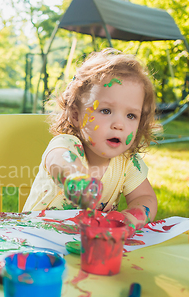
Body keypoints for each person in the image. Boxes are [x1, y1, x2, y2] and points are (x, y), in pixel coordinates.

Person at [23, 49, 160, 234]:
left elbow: (145, 197)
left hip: (87, 246)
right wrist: (75, 179)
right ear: (76, 116)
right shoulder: (66, 144)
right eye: (105, 111)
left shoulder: (128, 162)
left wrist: (129, 218)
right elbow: (59, 161)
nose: (119, 124)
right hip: (37, 237)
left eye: (130, 115)